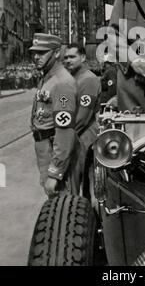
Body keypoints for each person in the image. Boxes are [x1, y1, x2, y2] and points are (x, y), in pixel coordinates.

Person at [30, 33, 79, 198]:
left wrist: (55, 171)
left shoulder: (62, 82)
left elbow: (65, 131)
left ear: (57, 53)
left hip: (54, 151)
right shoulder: (47, 77)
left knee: (62, 205)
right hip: (45, 149)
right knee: (53, 201)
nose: (36, 57)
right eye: (34, 52)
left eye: (42, 52)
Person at [64, 43, 101, 189]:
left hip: (83, 136)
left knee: (79, 181)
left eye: (72, 56)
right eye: (65, 57)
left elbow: (82, 117)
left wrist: (63, 137)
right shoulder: (71, 78)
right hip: (74, 135)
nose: (68, 60)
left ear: (83, 57)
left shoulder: (88, 79)